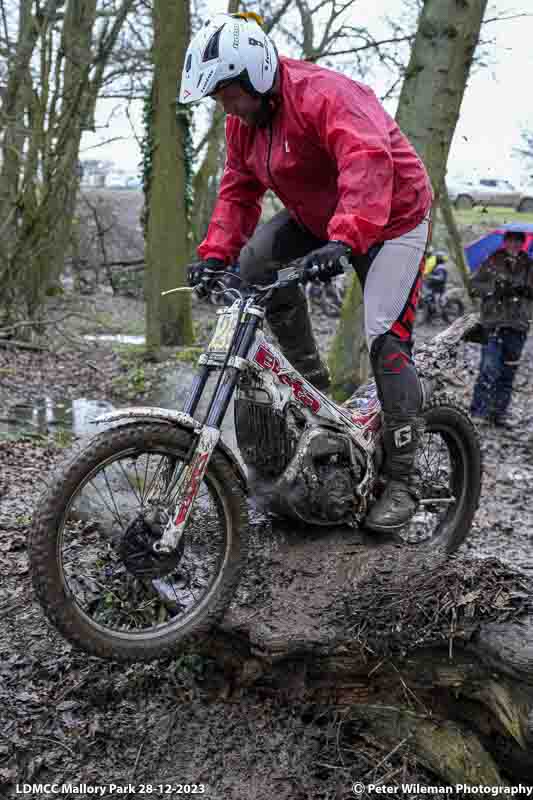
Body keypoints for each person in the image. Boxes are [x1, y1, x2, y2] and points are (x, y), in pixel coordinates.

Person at [179, 12, 433, 531]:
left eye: (228, 93)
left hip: (392, 218)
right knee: (254, 266)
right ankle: (311, 389)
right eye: (218, 98)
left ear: (257, 76)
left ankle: (404, 480)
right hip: (320, 215)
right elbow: (237, 189)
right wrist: (215, 255)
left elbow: (367, 158)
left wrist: (346, 236)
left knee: (386, 342)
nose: (224, 107)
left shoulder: (326, 94)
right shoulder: (243, 124)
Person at [470, 230, 533, 427]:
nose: (514, 244)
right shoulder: (492, 262)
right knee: (488, 368)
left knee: (508, 372)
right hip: (493, 324)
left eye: (517, 241)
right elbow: (473, 287)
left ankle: (498, 414)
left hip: (518, 325)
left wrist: (526, 290)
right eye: (510, 240)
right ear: (504, 242)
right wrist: (494, 288)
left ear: (523, 243)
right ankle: (478, 412)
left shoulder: (529, 266)